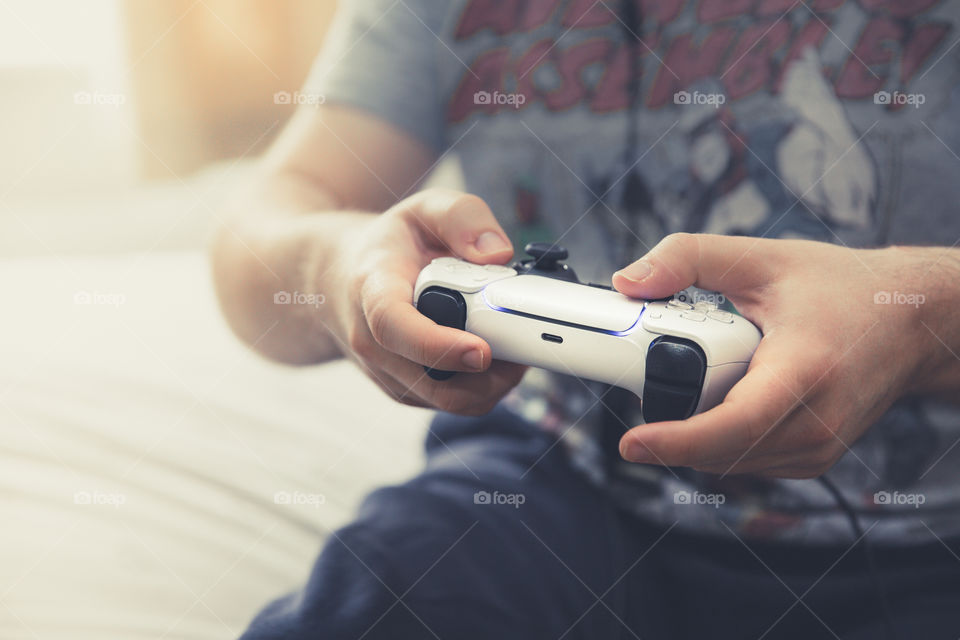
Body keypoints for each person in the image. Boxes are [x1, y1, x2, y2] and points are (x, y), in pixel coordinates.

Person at [211, 1, 960, 637]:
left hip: (930, 537)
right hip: (545, 479)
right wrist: (333, 264)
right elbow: (260, 234)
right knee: (376, 598)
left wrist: (924, 312)